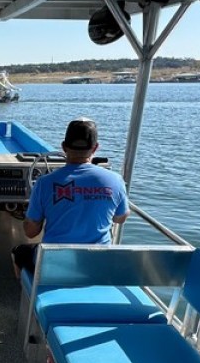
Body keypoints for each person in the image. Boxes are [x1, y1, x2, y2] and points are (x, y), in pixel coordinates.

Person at [11, 118, 128, 275]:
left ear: (64, 147)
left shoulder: (44, 183)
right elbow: (120, 218)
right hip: (98, 263)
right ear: (95, 148)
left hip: (54, 263)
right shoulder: (115, 180)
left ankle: (29, 287)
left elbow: (30, 232)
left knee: (19, 251)